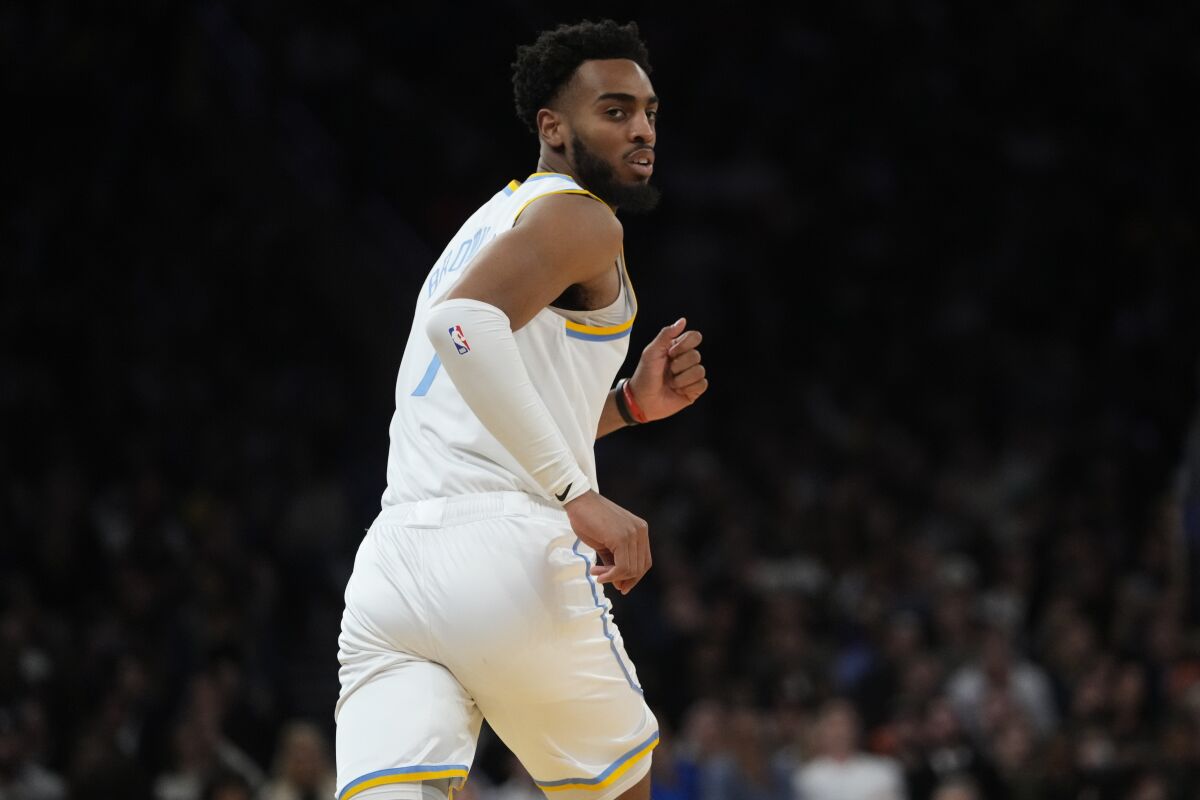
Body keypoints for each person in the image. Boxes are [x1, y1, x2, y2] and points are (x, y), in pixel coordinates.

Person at [333, 18, 708, 800]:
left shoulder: (479, 229)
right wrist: (580, 495)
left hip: (393, 568)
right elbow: (462, 326)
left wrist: (628, 407)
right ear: (553, 128)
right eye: (614, 110)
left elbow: (476, 386)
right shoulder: (582, 217)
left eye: (648, 111)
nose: (641, 128)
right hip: (505, 550)